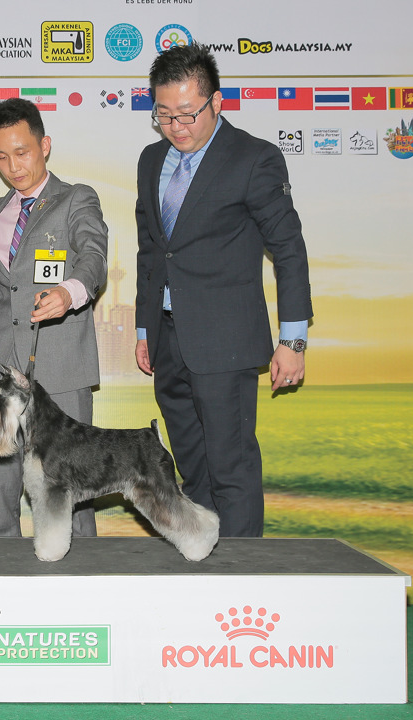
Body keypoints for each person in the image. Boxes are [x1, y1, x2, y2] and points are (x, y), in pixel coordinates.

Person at [134, 44, 312, 538]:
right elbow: (152, 251)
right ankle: (204, 561)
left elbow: (289, 250)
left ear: (216, 101)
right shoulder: (151, 160)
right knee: (191, 469)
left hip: (226, 341)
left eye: (187, 113)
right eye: (164, 115)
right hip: (167, 340)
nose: (176, 127)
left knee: (232, 468)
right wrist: (145, 328)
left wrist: (293, 339)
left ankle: (241, 572)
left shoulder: (254, 158)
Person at [0, 98, 108, 537]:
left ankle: (82, 566)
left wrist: (70, 292)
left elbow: (93, 256)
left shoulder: (76, 198)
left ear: (44, 145)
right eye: (1, 156)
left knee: (72, 484)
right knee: (1, 488)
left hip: (62, 365)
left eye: (22, 152)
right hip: (2, 369)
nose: (13, 166)